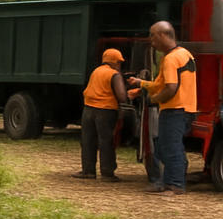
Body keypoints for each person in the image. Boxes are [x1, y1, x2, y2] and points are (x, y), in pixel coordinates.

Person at [127, 21, 197, 195]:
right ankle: (165, 182)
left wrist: (154, 99)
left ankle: (176, 184)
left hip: (175, 109)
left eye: (153, 35)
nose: (151, 40)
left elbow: (171, 88)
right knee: (165, 146)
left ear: (163, 35)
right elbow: (161, 83)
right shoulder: (184, 54)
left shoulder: (170, 59)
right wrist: (141, 84)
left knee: (172, 148)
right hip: (186, 108)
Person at [73, 48, 129, 181]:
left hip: (88, 109)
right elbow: (122, 96)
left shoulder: (96, 71)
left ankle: (88, 171)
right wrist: (129, 92)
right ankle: (107, 173)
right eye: (119, 62)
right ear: (114, 62)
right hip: (106, 110)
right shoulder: (114, 74)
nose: (120, 65)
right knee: (106, 141)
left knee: (87, 140)